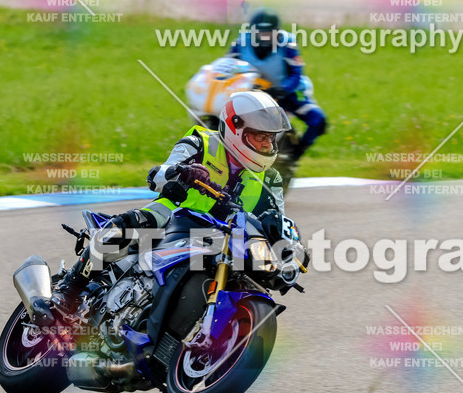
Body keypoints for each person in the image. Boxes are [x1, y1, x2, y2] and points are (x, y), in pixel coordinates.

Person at [45, 90, 291, 320]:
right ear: (236, 128)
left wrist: (290, 249)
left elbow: (274, 221)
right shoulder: (201, 143)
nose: (267, 145)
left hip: (221, 240)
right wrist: (181, 172)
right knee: (129, 224)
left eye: (270, 138)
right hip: (173, 216)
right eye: (260, 137)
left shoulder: (270, 180)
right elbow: (158, 176)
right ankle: (70, 287)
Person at [228, 9, 327, 169]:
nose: (265, 37)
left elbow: (296, 73)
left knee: (318, 121)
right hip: (253, 94)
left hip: (288, 93)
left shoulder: (288, 43)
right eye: (261, 32)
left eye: (270, 32)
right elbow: (226, 66)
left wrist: (282, 89)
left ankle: (295, 156)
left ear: (278, 32)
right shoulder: (240, 43)